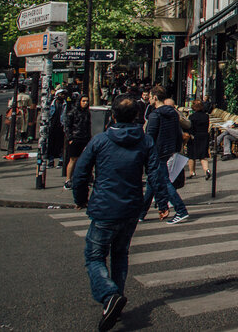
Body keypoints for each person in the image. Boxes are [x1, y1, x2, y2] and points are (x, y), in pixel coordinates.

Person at [72, 96, 170, 331]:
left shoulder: (101, 141)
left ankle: (109, 295)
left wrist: (81, 198)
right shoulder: (144, 141)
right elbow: (156, 173)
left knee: (95, 256)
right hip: (130, 207)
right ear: (136, 116)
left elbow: (81, 172)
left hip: (105, 207)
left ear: (112, 116)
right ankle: (114, 300)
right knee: (120, 255)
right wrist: (163, 203)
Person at [139, 85, 190, 224]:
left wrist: (145, 153)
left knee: (163, 182)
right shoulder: (173, 113)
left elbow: (150, 137)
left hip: (157, 152)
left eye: (150, 96)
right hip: (169, 150)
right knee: (152, 182)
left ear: (155, 98)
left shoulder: (155, 115)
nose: (149, 99)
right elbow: (177, 132)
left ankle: (181, 210)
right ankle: (141, 213)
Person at [64, 94, 93, 190]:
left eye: (86, 101)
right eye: (83, 101)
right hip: (76, 138)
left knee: (85, 159)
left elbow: (88, 126)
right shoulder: (72, 113)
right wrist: (70, 138)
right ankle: (68, 180)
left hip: (85, 138)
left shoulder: (87, 113)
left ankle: (85, 178)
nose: (85, 103)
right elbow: (67, 126)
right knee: (73, 159)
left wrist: (89, 137)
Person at [187, 100, 211, 180]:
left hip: (194, 137)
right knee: (203, 156)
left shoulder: (191, 117)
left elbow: (190, 128)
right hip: (204, 136)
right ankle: (206, 170)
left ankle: (192, 172)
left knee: (191, 155)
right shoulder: (206, 116)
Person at [48, 88, 68, 168]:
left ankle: (61, 160)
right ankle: (51, 160)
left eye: (63, 94)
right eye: (61, 94)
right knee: (50, 144)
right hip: (52, 126)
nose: (62, 96)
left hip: (61, 127)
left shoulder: (66, 104)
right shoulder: (51, 104)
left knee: (61, 144)